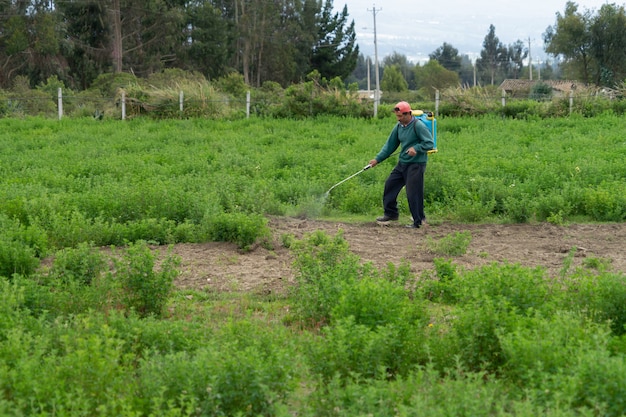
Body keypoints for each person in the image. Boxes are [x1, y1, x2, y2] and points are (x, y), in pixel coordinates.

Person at [368, 101, 434, 228]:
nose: (398, 119)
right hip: (402, 163)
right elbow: (389, 146)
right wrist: (377, 159)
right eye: (397, 116)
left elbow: (429, 143)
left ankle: (418, 221)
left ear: (408, 114)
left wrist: (417, 148)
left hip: (416, 164)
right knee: (390, 185)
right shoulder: (398, 127)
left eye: (401, 116)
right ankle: (391, 214)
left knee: (413, 192)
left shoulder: (418, 126)